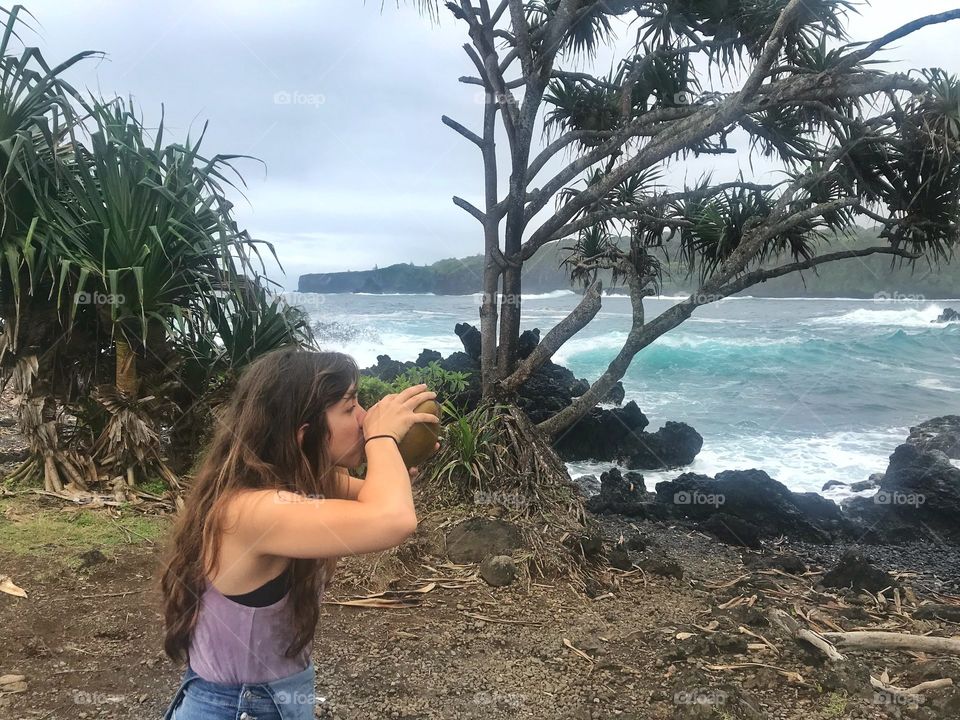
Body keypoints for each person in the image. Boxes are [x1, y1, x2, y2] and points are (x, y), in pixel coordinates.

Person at [157, 347, 439, 720]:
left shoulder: (303, 485)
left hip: (268, 701)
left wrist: (396, 459)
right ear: (304, 434)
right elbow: (393, 519)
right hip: (238, 708)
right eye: (350, 407)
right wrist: (381, 438)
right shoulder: (252, 511)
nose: (364, 418)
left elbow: (382, 496)